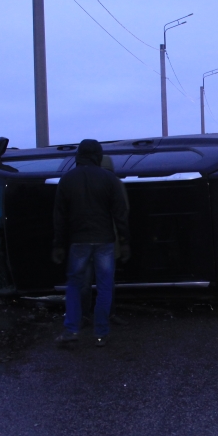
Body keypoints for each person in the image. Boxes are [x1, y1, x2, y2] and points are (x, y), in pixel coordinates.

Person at [52, 139, 130, 347]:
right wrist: (124, 242)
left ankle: (71, 330)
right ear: (98, 156)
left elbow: (60, 217)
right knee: (105, 287)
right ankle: (101, 334)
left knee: (76, 286)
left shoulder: (67, 180)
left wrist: (59, 245)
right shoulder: (109, 179)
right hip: (104, 241)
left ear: (79, 156)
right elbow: (120, 214)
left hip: (78, 242)